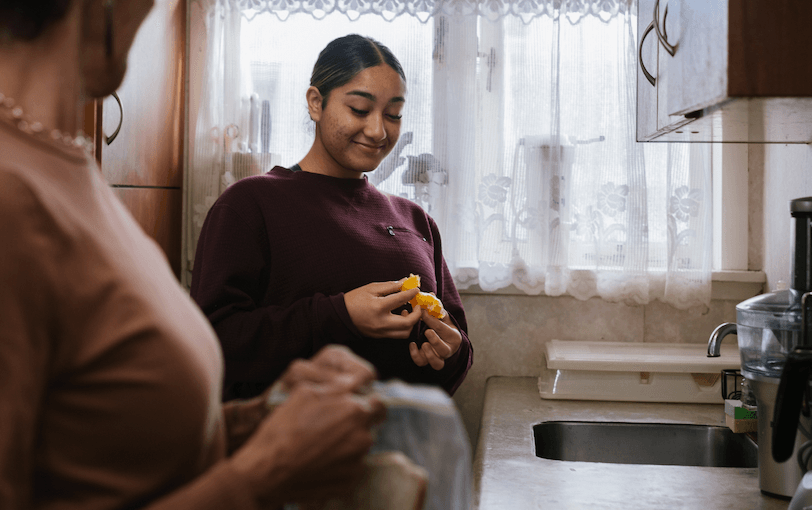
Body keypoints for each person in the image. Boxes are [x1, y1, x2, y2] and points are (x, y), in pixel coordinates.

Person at [0, 1, 386, 509]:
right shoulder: (11, 193)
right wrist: (266, 469)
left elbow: (108, 448)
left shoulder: (71, 170)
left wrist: (253, 422)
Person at [190, 34, 473, 401]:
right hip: (292, 450)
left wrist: (449, 353)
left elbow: (459, 348)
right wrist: (340, 316)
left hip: (404, 448)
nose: (378, 130)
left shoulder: (416, 220)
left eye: (393, 114)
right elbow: (213, 342)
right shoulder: (250, 204)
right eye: (359, 109)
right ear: (316, 103)